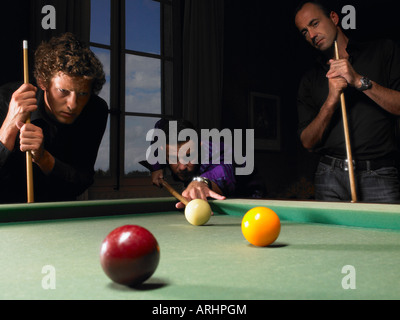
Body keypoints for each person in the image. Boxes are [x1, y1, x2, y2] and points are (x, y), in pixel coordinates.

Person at [294, 1, 400, 203]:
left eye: (314, 23)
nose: (312, 35)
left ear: (334, 18)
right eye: (305, 32)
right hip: (329, 176)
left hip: (380, 174)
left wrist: (358, 80)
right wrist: (331, 100)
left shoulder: (383, 51)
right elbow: (307, 142)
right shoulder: (310, 79)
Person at [0, 33, 108, 203]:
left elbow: (81, 182)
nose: (72, 104)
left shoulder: (95, 110)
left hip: (59, 215)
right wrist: (7, 130)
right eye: (63, 91)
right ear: (43, 83)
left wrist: (44, 158)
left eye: (82, 93)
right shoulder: (5, 99)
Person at [146, 118, 264, 209]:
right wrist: (156, 167)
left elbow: (223, 172)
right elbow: (160, 124)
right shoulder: (163, 143)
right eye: (173, 158)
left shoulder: (219, 154)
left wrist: (201, 181)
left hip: (251, 200)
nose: (182, 167)